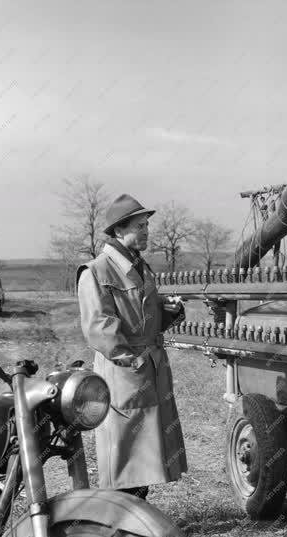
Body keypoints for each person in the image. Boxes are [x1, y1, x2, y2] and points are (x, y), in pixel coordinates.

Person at [77, 193, 187, 499]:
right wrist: (131, 359)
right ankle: (121, 520)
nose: (146, 231)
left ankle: (137, 514)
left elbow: (144, 320)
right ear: (118, 229)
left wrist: (170, 311)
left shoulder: (141, 267)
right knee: (125, 449)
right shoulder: (96, 271)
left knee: (146, 451)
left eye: (146, 226)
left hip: (149, 367)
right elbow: (99, 327)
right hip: (124, 372)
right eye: (139, 226)